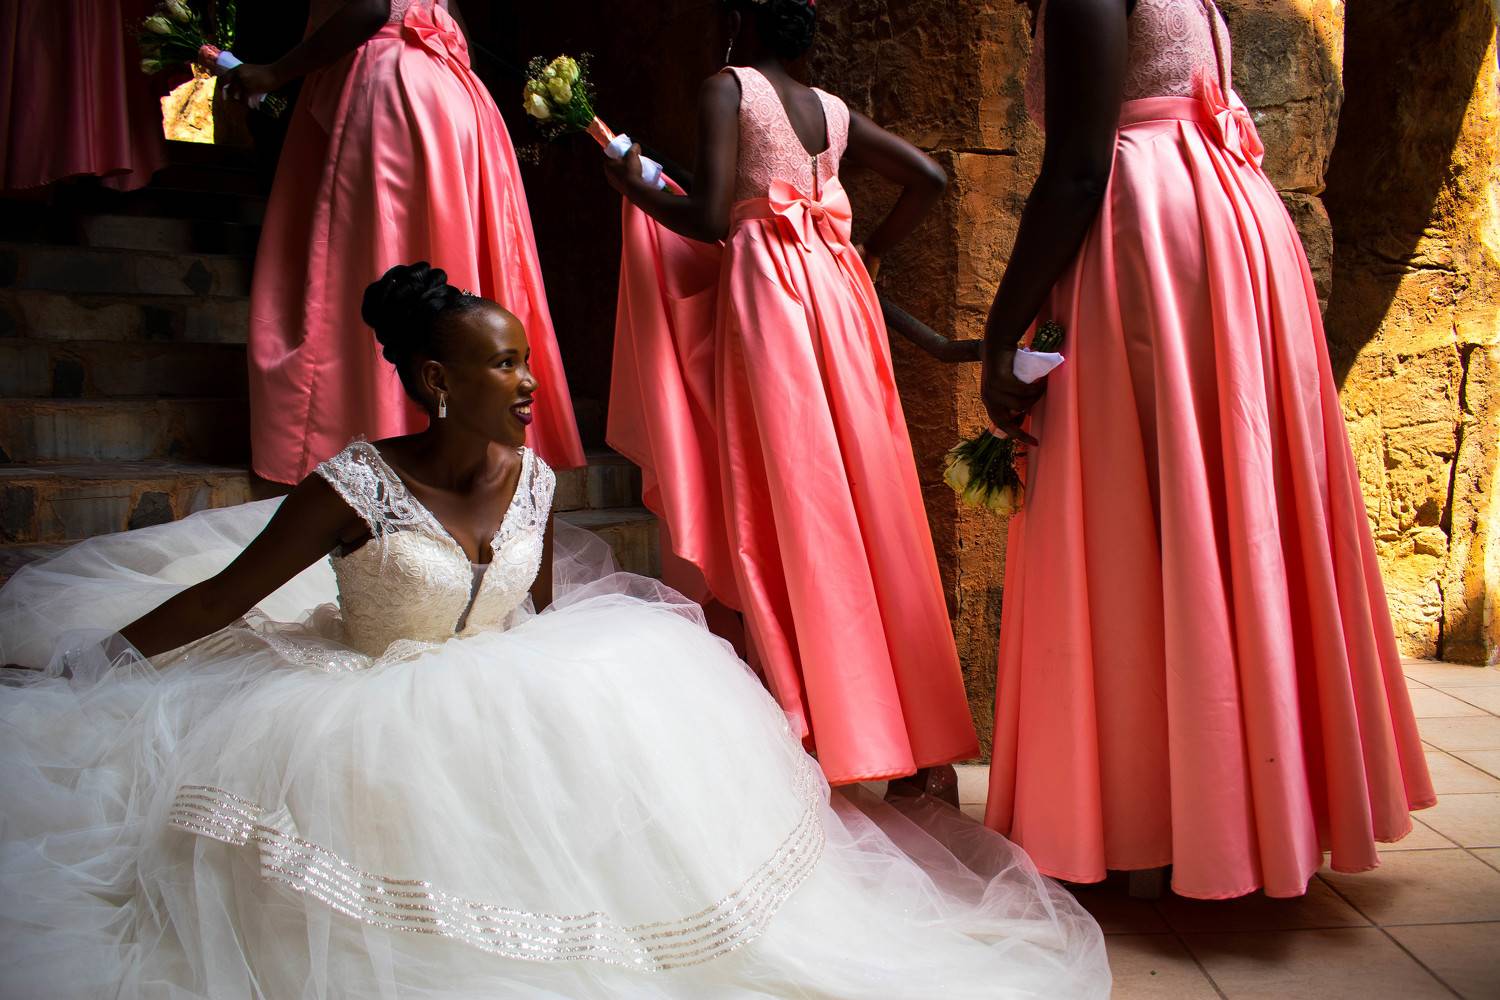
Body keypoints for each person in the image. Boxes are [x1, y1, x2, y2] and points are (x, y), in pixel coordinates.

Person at [0, 262, 1109, 999]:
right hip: (361, 716)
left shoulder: (532, 476)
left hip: (496, 699)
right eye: (505, 364)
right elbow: (224, 596)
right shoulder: (353, 486)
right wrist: (97, 666)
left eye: (527, 358)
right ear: (437, 380)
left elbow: (526, 617)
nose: (531, 382)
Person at [979, 0, 1434, 899]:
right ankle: (1240, 809)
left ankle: (1155, 822)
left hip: (1149, 235)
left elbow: (1078, 167)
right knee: (1224, 502)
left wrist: (1001, 332)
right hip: (1228, 224)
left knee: (1135, 513)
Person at [605, 0, 979, 797]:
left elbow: (709, 216)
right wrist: (869, 249)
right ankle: (918, 743)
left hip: (771, 297)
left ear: (742, 19)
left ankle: (824, 722)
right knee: (869, 488)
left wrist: (633, 188)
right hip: (839, 290)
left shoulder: (728, 87)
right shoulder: (833, 111)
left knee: (791, 494)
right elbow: (930, 178)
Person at [219, 0, 584, 484]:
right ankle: (458, 429)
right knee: (446, 246)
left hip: (393, 85)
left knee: (377, 252)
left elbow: (373, 6)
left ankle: (383, 424)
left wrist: (274, 72)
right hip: (454, 90)